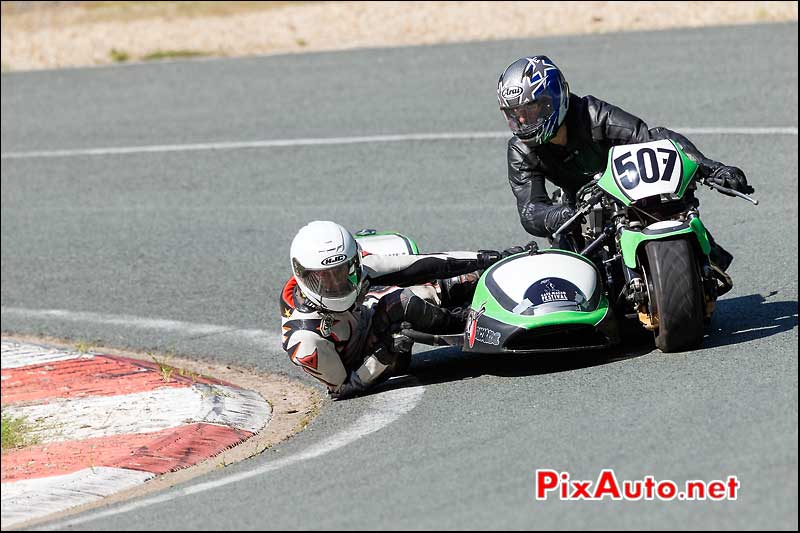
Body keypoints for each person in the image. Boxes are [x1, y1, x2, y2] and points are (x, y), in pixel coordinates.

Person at [497, 55, 754, 270]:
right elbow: (530, 210)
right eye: (514, 115)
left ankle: (701, 251)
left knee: (662, 146)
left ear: (554, 99)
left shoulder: (593, 114)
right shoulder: (521, 151)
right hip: (581, 212)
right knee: (567, 270)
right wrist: (563, 214)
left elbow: (652, 139)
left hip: (630, 191)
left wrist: (712, 168)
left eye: (530, 111)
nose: (522, 122)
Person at [280, 221, 517, 400]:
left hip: (366, 318)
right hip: (370, 362)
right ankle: (474, 324)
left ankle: (505, 285)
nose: (336, 283)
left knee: (438, 285)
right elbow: (342, 388)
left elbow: (420, 264)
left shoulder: (360, 269)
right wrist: (386, 352)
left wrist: (489, 258)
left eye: (341, 271)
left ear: (354, 261)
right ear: (302, 275)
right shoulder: (305, 339)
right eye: (322, 279)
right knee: (400, 301)